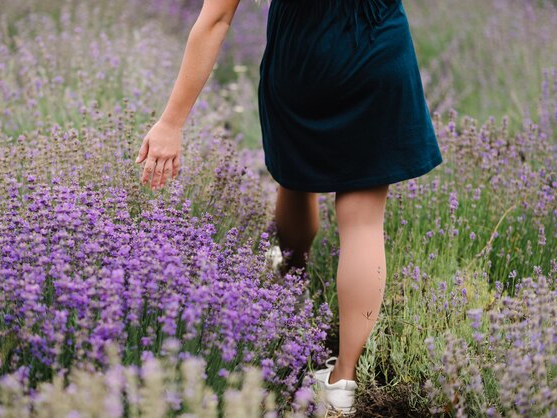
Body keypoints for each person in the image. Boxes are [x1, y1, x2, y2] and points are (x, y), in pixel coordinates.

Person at [134, 0, 443, 415]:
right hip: (378, 48)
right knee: (363, 223)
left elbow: (216, 19)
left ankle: (288, 282)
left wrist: (171, 123)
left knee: (296, 178)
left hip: (303, 61)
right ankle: (342, 382)